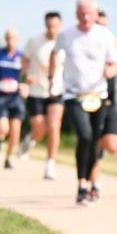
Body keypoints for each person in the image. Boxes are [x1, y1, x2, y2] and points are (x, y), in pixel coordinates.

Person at [53, 0, 117, 205]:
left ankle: (90, 184)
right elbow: (54, 55)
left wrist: (111, 71)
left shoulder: (104, 35)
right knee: (84, 135)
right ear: (76, 14)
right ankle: (81, 183)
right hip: (74, 95)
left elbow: (116, 62)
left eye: (89, 13)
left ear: (96, 14)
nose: (85, 17)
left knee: (94, 141)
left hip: (97, 95)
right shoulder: (66, 35)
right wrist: (52, 77)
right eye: (82, 13)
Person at [88, 9, 117, 200]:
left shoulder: (113, 41)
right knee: (93, 144)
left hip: (110, 102)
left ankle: (97, 155)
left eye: (104, 25)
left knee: (112, 145)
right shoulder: (85, 44)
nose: (102, 29)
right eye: (99, 25)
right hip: (90, 102)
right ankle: (93, 184)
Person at [20, 12, 66, 179]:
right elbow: (24, 60)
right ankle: (30, 140)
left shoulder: (65, 42)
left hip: (56, 90)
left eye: (55, 26)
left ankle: (50, 165)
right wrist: (27, 75)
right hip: (36, 90)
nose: (51, 29)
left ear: (60, 26)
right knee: (40, 128)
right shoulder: (34, 41)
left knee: (54, 126)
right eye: (48, 25)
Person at [0, 28, 27, 169]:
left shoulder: (22, 56)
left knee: (16, 131)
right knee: (4, 128)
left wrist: (26, 85)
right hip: (1, 95)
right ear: (5, 39)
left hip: (15, 96)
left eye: (13, 38)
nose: (11, 41)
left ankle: (8, 158)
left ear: (18, 39)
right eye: (8, 38)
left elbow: (29, 73)